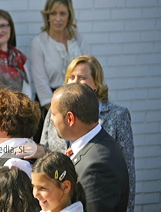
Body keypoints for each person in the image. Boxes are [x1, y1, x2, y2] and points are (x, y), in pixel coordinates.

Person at [41, 55, 135, 211]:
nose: (75, 81)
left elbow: (128, 170)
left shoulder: (96, 167)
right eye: (71, 77)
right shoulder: (59, 110)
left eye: (82, 77)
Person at [50, 83, 129, 211]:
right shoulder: (97, 144)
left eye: (54, 114)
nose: (51, 119)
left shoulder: (96, 166)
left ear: (70, 118)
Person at [30, 0, 87, 143]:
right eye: (53, 13)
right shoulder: (39, 43)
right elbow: (41, 84)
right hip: (51, 109)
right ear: (47, 16)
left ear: (69, 15)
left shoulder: (78, 39)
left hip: (79, 104)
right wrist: (58, 115)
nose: (58, 18)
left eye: (62, 13)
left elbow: (88, 70)